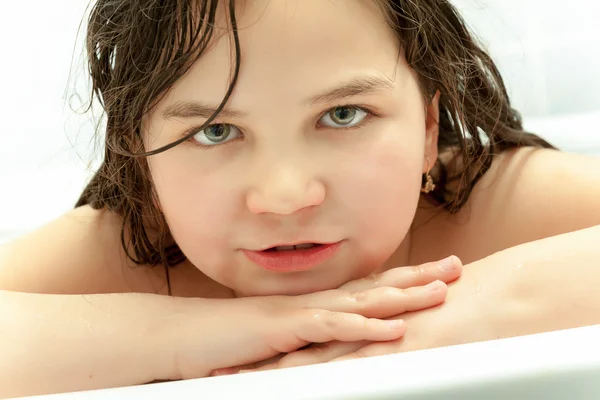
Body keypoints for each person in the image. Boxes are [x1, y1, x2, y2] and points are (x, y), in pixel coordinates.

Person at [1, 0, 599, 397]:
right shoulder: (141, 255)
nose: (284, 196)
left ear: (426, 128)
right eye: (214, 130)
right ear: (142, 159)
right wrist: (185, 334)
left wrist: (461, 311)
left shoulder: (483, 204)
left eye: (343, 115)